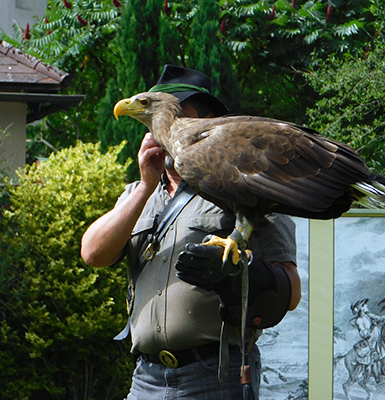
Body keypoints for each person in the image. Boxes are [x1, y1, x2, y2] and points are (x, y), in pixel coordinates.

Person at [81, 64, 301, 399]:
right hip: (146, 378)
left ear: (208, 126)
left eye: (177, 113)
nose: (162, 126)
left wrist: (238, 273)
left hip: (214, 373)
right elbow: (93, 254)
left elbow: (291, 291)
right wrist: (144, 186)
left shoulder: (247, 189)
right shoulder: (140, 195)